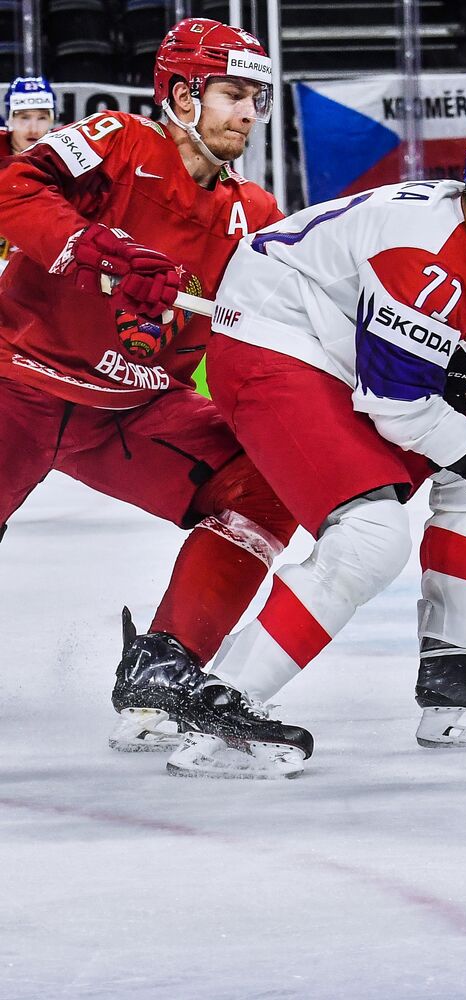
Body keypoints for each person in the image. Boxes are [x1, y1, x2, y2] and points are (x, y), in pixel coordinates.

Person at [174, 121, 466, 778]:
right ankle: (219, 704)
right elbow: (396, 405)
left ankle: (451, 672)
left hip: (331, 346)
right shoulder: (428, 255)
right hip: (270, 343)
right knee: (371, 536)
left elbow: (432, 354)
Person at [0, 19, 297, 755]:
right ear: (179, 93)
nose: (247, 114)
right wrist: (105, 246)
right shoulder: (118, 138)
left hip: (133, 416)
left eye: (256, 100)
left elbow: (293, 315)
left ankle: (164, 664)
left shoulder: (252, 214)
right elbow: (13, 186)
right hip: (17, 385)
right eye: (232, 94)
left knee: (265, 482)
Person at [1, 77, 58, 266]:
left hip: (41, 266)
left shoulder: (65, 155)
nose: (33, 128)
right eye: (24, 117)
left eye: (42, 118)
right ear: (10, 118)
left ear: (52, 120)